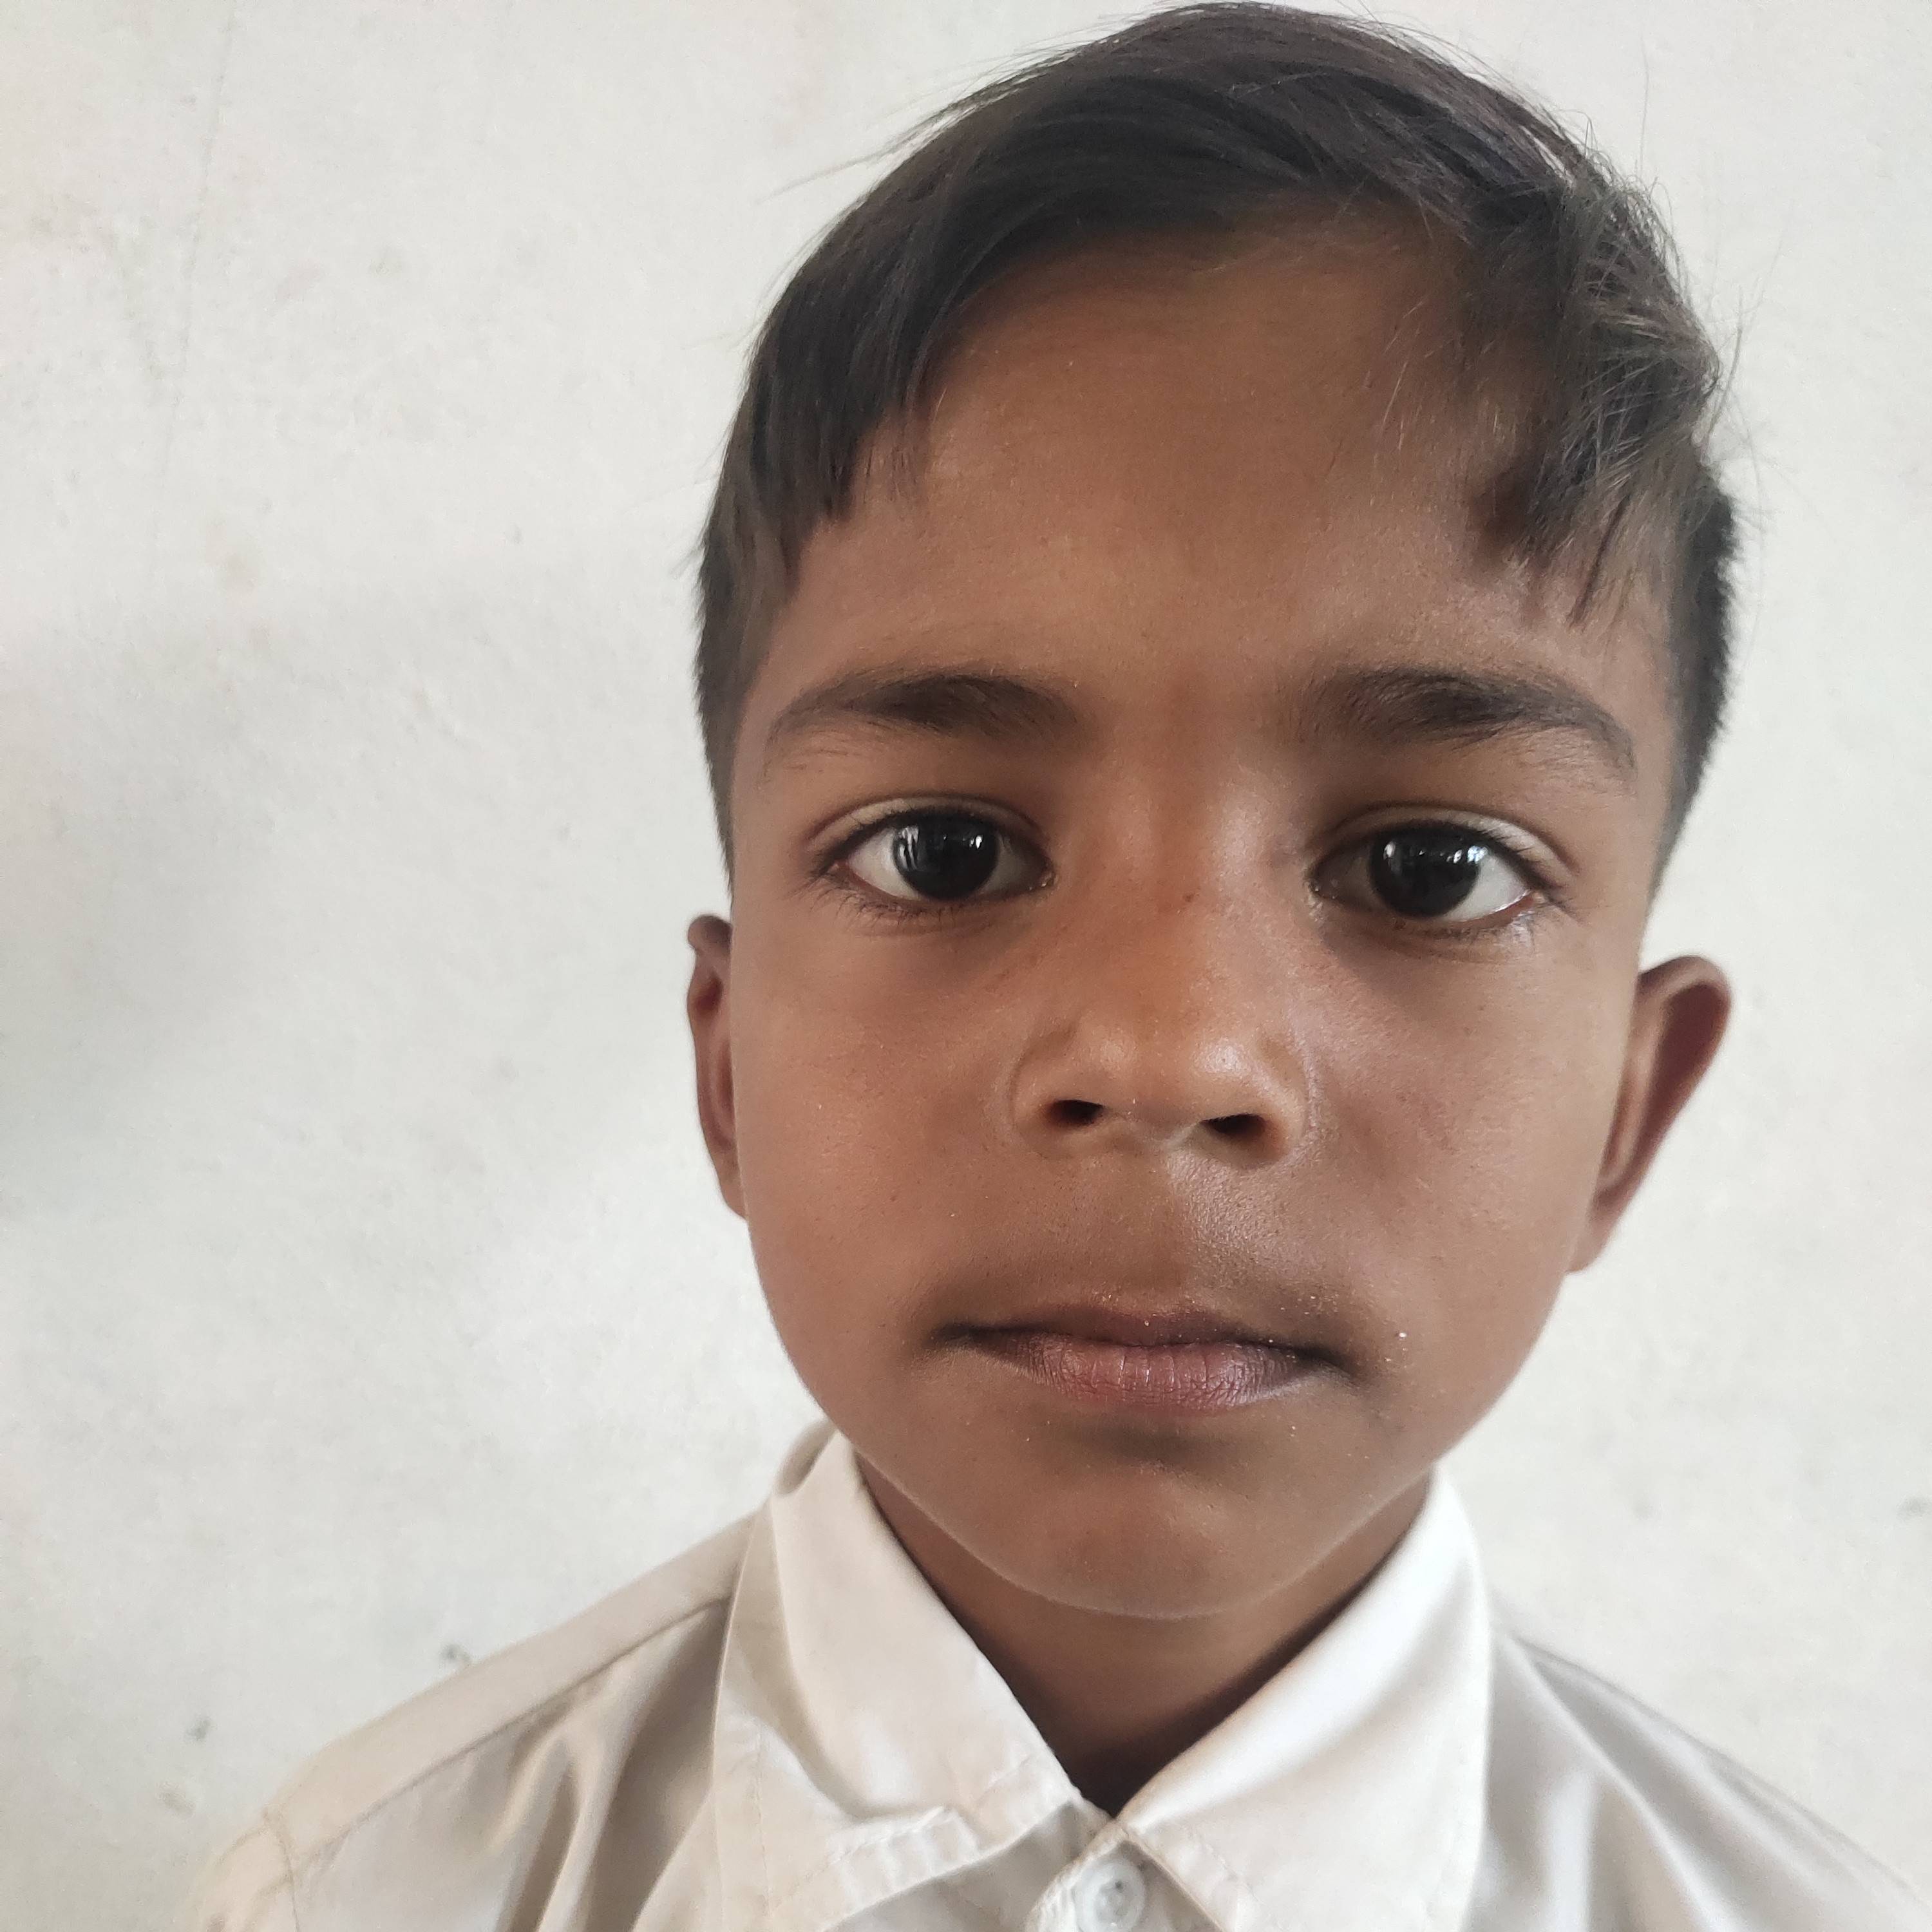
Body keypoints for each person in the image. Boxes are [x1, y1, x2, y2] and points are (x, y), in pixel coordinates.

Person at [180, 6, 1930, 1928]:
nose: (1172, 1052)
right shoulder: (367, 1894)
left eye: (1428, 872)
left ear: (1627, 1112)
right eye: (945, 851)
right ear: (727, 1068)